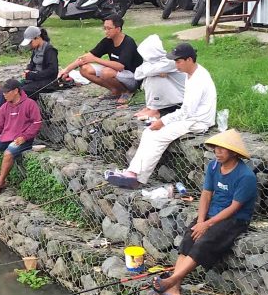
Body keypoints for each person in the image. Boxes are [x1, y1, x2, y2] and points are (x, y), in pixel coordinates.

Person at [150, 130, 258, 295]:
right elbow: (206, 194)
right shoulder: (213, 166)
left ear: (234, 153)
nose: (217, 152)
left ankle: (171, 280)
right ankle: (174, 288)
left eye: (222, 149)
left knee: (204, 242)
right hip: (211, 214)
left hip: (235, 219)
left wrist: (208, 225)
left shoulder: (246, 177)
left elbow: (234, 207)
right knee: (189, 238)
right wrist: (201, 221)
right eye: (215, 148)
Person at [107, 43, 216, 188]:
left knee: (157, 136)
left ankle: (137, 178)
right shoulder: (191, 73)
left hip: (197, 121)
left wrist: (163, 121)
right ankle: (132, 173)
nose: (175, 65)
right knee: (148, 132)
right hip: (190, 117)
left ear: (189, 59)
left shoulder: (198, 80)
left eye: (178, 61)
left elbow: (187, 112)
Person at [0, 78, 42, 195]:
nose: (4, 95)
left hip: (22, 140)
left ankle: (1, 181)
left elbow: (36, 123)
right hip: (6, 137)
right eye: (3, 92)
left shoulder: (30, 104)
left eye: (7, 92)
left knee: (8, 153)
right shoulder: (5, 107)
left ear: (16, 91)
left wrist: (25, 137)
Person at [59, 16, 143, 103]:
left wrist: (95, 59)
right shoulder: (107, 41)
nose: (106, 31)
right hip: (117, 74)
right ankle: (115, 90)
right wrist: (66, 70)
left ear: (118, 29)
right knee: (84, 69)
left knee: (106, 72)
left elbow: (120, 66)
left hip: (133, 78)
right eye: (104, 28)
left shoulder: (128, 42)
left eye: (109, 29)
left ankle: (127, 92)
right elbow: (85, 57)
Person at [132, 34, 185, 119]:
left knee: (154, 78)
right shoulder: (153, 63)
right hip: (171, 97)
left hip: (180, 97)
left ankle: (155, 110)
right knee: (150, 76)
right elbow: (137, 74)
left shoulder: (169, 62)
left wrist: (154, 72)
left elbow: (147, 71)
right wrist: (155, 72)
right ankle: (150, 107)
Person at [18, 26, 59, 98]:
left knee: (22, 92)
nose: (30, 45)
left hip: (47, 82)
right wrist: (28, 69)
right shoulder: (35, 49)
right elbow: (32, 63)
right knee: (14, 87)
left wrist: (33, 75)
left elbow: (52, 70)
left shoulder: (50, 50)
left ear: (37, 38)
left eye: (31, 42)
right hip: (36, 79)